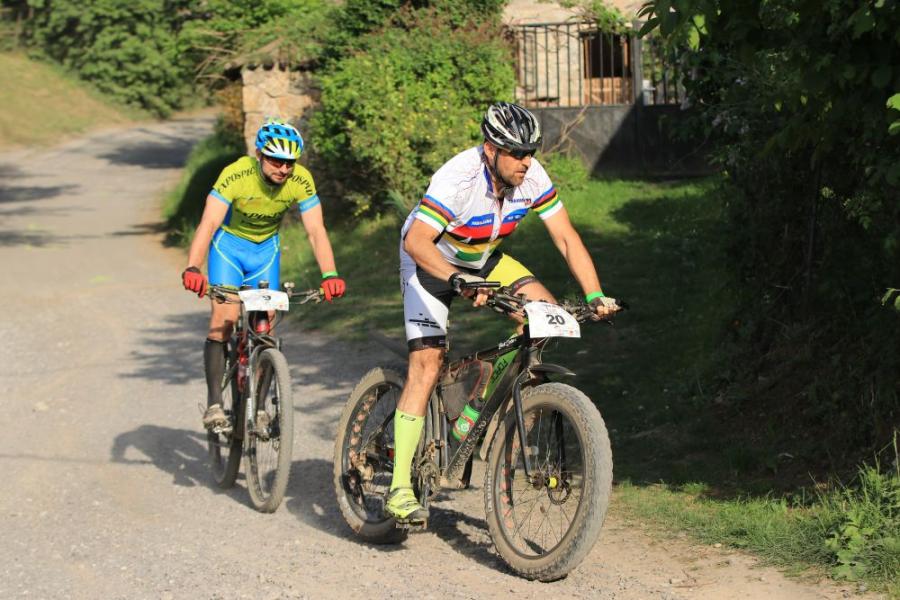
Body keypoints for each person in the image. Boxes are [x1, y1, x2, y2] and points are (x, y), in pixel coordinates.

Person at [386, 101, 619, 523]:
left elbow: (566, 238)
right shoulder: (458, 177)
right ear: (491, 149)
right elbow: (416, 241)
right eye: (517, 153)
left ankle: (504, 427)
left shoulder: (533, 177)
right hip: (429, 261)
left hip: (483, 258)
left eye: (530, 152)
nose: (526, 162)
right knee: (426, 363)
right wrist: (457, 279)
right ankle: (399, 487)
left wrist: (595, 294)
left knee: (547, 319)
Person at [181, 118, 345, 429]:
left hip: (265, 253)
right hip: (228, 250)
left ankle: (258, 408)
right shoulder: (236, 174)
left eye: (290, 163)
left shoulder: (301, 180)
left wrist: (330, 274)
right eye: (276, 161)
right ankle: (215, 404)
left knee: (264, 326)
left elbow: (315, 230)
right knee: (224, 319)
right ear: (259, 154)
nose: (283, 169)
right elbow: (209, 223)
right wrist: (193, 266)